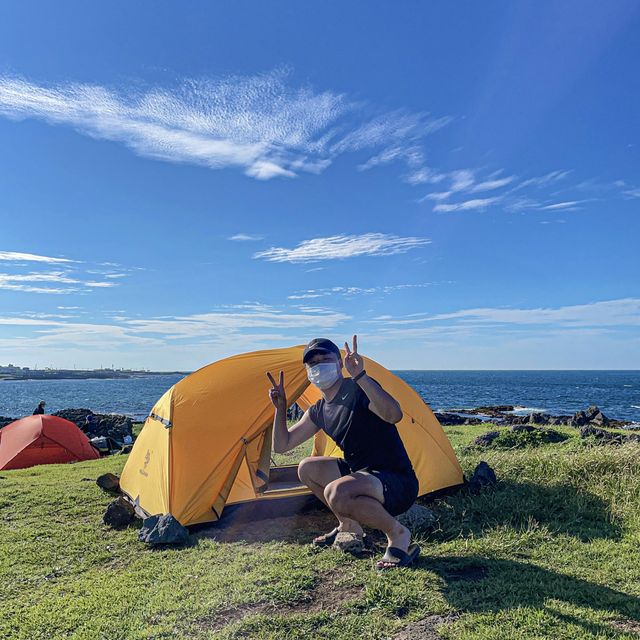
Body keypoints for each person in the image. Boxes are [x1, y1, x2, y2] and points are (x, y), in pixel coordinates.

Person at [267, 335, 420, 570]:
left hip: (396, 480)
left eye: (325, 359)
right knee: (306, 468)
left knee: (337, 492)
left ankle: (398, 535)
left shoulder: (358, 389)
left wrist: (360, 376)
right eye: (313, 363)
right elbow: (283, 445)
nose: (319, 366)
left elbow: (394, 415)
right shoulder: (318, 410)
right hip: (362, 474)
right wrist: (281, 408)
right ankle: (349, 525)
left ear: (339, 364)